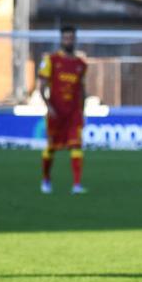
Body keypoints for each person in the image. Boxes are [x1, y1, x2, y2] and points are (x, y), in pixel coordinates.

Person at [38, 26, 88, 194]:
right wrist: (48, 106)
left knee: (76, 146)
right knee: (51, 148)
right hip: (56, 112)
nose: (69, 41)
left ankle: (77, 185)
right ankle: (46, 179)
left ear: (75, 39)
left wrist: (83, 110)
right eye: (66, 38)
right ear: (61, 40)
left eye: (71, 38)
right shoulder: (51, 60)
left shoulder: (81, 64)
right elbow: (41, 87)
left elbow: (82, 89)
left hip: (74, 113)